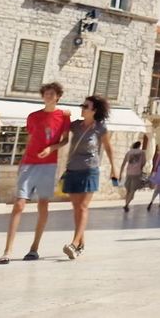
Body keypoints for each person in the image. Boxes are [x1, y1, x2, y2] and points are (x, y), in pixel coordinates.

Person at [0, 82, 70, 263]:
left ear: (58, 96)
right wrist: (21, 163)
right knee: (19, 205)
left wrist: (51, 149)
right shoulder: (32, 116)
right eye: (46, 93)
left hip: (48, 165)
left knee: (43, 205)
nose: (48, 96)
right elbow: (30, 139)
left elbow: (64, 141)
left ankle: (34, 248)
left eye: (52, 94)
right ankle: (7, 250)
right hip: (29, 163)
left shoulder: (64, 116)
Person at [61, 95, 118, 260]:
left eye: (86, 106)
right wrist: (63, 115)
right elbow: (62, 132)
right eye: (83, 105)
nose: (82, 108)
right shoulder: (75, 125)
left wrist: (114, 169)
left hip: (90, 170)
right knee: (76, 208)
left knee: (83, 207)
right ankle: (80, 244)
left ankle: (74, 243)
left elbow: (108, 148)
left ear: (94, 111)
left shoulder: (100, 128)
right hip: (72, 169)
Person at [120, 140, 146, 211]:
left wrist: (120, 174)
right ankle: (127, 204)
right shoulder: (142, 152)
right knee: (132, 190)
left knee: (128, 190)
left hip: (128, 173)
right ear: (139, 146)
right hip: (137, 173)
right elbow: (143, 162)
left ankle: (126, 204)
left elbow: (123, 163)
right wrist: (140, 168)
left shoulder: (129, 152)